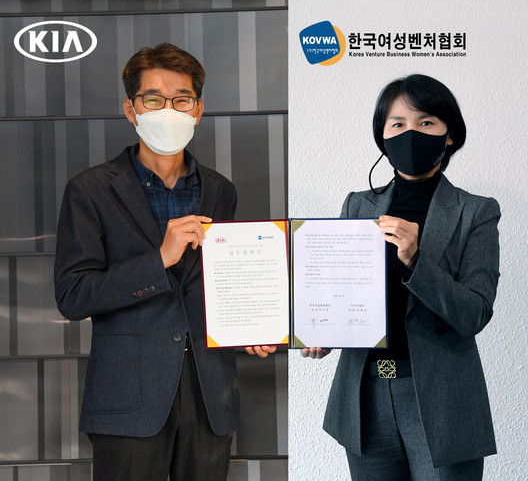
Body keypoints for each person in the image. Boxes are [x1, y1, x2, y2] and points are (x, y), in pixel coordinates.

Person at [54, 43, 276, 481]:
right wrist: (159, 259)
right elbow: (73, 295)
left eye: (181, 99)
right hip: (128, 399)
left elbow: (220, 285)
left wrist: (249, 329)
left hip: (210, 396)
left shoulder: (220, 190)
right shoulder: (90, 190)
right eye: (153, 99)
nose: (169, 110)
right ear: (131, 109)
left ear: (198, 110)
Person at [302, 74, 500, 480]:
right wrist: (321, 332)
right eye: (398, 124)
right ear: (383, 136)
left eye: (426, 122)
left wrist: (415, 260)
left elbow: (474, 314)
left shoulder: (476, 212)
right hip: (364, 395)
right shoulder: (358, 206)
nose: (411, 133)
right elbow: (339, 293)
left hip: (440, 401)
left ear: (449, 135)